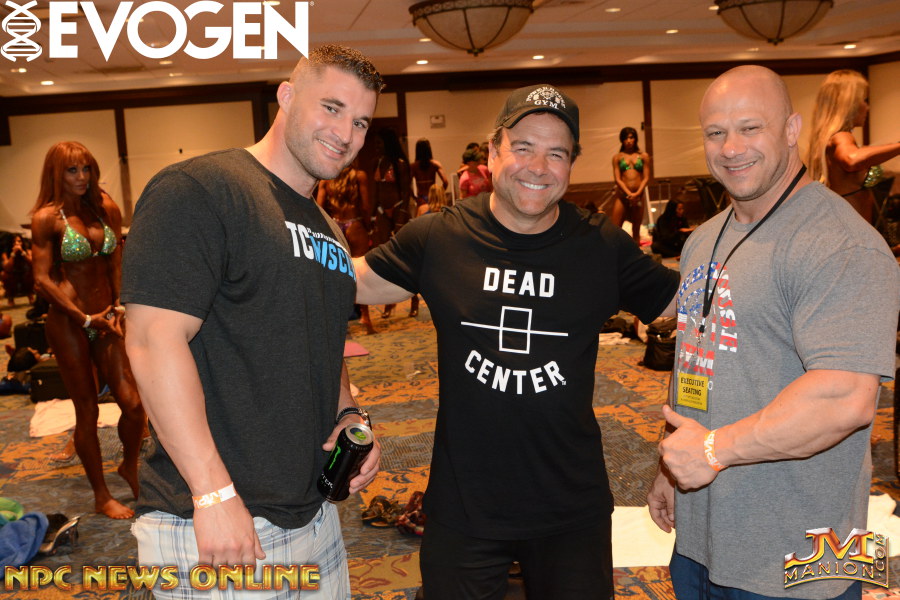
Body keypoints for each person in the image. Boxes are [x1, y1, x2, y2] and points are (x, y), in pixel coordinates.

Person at [354, 83, 679, 600]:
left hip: (570, 504)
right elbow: (345, 282)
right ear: (493, 153)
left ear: (571, 164)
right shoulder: (440, 237)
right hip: (464, 505)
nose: (538, 167)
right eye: (523, 147)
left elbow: (692, 312)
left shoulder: (600, 245)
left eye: (557, 153)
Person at [121, 44, 383, 597]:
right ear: (286, 96)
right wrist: (213, 493)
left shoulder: (328, 229)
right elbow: (151, 339)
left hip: (313, 512)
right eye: (331, 107)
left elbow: (325, 343)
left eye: (360, 121)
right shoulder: (201, 189)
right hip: (216, 518)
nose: (346, 133)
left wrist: (347, 414)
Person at [648, 65, 899, 600]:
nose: (731, 148)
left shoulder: (842, 244)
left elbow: (846, 400)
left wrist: (712, 449)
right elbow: (697, 362)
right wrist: (669, 467)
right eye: (716, 133)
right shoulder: (704, 239)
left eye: (750, 128)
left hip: (804, 556)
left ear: (791, 129)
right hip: (703, 538)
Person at [30, 141, 146, 519]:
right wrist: (82, 318)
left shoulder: (105, 207)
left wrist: (121, 307)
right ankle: (101, 494)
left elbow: (116, 264)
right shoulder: (46, 218)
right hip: (69, 323)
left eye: (86, 169)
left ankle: (129, 465)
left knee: (133, 404)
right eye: (72, 170)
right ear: (56, 174)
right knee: (88, 411)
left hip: (107, 318)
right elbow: (41, 279)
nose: (82, 177)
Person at [806, 69, 900, 225]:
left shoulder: (829, 138)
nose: (867, 107)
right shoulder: (841, 136)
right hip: (850, 227)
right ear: (850, 103)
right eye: (864, 100)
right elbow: (852, 160)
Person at [318, 162, 377, 334]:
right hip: (355, 225)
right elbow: (365, 206)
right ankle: (366, 317)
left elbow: (319, 207)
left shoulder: (326, 179)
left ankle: (339, 320)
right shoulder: (359, 176)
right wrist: (368, 226)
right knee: (361, 274)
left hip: (335, 226)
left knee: (336, 274)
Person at [611, 126, 651, 244]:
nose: (628, 141)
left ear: (635, 139)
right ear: (622, 140)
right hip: (623, 196)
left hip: (638, 196)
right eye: (626, 138)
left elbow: (646, 177)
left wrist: (637, 194)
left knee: (636, 229)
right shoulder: (617, 157)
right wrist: (629, 194)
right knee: (615, 228)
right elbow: (617, 179)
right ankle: (615, 252)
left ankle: (635, 253)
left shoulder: (643, 156)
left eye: (631, 137)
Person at [410, 138, 448, 207]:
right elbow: (445, 182)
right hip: (433, 198)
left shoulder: (414, 166)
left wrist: (415, 198)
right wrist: (438, 194)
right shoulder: (435, 164)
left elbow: (407, 185)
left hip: (421, 199)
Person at [1, 234, 34, 306]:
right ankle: (10, 298)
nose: (17, 243)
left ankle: (30, 296)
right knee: (4, 275)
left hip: (25, 273)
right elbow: (7, 267)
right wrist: (13, 254)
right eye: (14, 242)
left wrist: (22, 252)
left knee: (32, 273)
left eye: (19, 241)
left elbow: (32, 263)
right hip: (13, 274)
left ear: (22, 242)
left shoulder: (27, 251)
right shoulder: (5, 253)